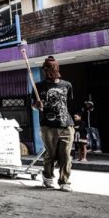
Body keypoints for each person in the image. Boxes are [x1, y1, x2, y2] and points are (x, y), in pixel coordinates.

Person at [33, 56, 75, 192]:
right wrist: (37, 104)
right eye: (45, 69)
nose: (47, 71)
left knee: (66, 155)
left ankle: (64, 181)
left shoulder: (67, 85)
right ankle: (48, 176)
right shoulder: (38, 86)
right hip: (48, 126)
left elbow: (68, 102)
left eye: (50, 68)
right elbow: (33, 105)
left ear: (56, 68)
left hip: (66, 124)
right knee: (50, 154)